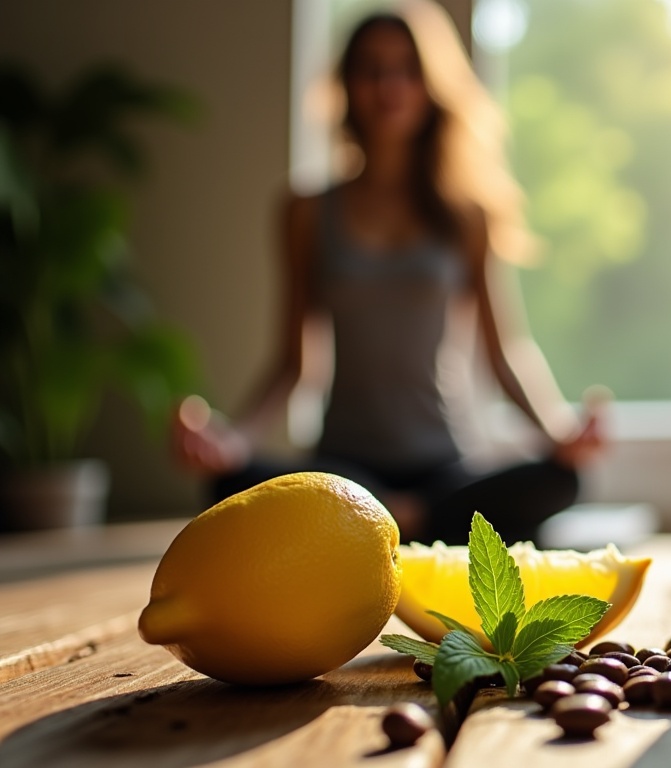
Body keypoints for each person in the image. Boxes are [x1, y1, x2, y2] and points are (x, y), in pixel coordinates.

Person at [171, 0, 604, 544]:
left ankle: (388, 525)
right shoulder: (305, 211)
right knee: (228, 482)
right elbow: (292, 362)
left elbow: (504, 352)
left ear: (430, 85)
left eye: (405, 69)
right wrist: (231, 440)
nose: (388, 84)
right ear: (347, 85)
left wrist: (558, 432)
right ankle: (393, 522)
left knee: (561, 480)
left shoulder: (467, 216)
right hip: (346, 470)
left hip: (444, 470)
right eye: (370, 69)